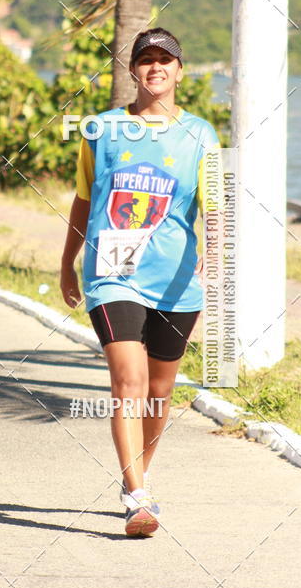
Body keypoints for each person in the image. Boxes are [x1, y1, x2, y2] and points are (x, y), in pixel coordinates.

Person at [60, 28, 220, 538]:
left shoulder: (201, 134)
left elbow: (215, 204)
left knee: (159, 390)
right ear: (133, 70)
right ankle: (136, 494)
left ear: (179, 70)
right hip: (113, 272)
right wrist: (68, 260)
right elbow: (85, 199)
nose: (155, 68)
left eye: (164, 61)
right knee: (127, 380)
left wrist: (213, 254)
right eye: (145, 60)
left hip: (175, 279)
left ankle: (139, 475)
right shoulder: (102, 129)